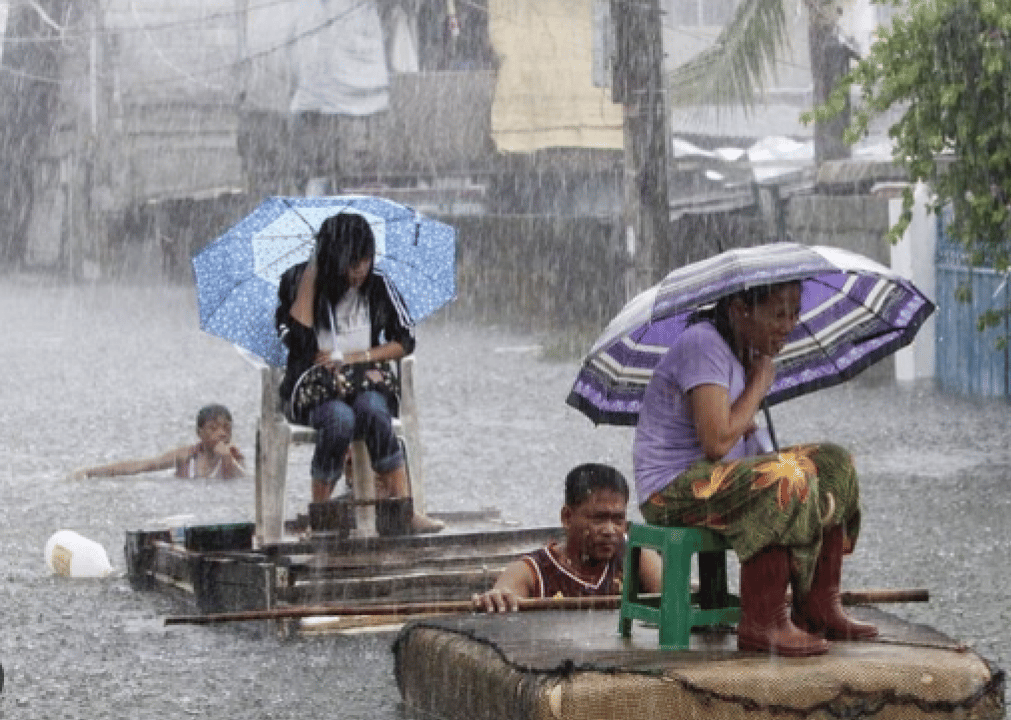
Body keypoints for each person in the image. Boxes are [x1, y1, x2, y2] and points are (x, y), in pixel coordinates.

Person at [632, 280, 879, 657]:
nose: (788, 326)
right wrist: (759, 383)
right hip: (671, 489)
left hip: (718, 477)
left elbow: (732, 435)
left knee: (833, 462)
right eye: (778, 314)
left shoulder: (743, 350)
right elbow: (716, 442)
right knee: (783, 476)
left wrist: (751, 385)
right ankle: (763, 622)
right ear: (738, 310)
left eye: (794, 314)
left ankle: (818, 604)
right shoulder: (703, 344)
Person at [274, 212, 443, 533]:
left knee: (374, 411)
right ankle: (322, 516)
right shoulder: (296, 281)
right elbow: (297, 342)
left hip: (366, 383)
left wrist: (357, 357)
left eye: (365, 260)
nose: (359, 270)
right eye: (351, 263)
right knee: (340, 420)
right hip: (315, 392)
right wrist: (312, 276)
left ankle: (402, 510)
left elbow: (405, 341)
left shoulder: (378, 285)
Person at [471, 463, 662, 613]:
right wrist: (496, 599)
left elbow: (673, 600)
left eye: (618, 519)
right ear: (567, 517)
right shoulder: (530, 571)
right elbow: (502, 596)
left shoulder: (636, 555)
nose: (610, 530)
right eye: (598, 519)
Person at [72, 404, 246, 480]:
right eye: (213, 428)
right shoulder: (186, 456)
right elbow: (141, 466)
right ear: (199, 432)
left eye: (227, 428)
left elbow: (235, 484)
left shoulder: (235, 458)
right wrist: (90, 472)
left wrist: (227, 459)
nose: (222, 433)